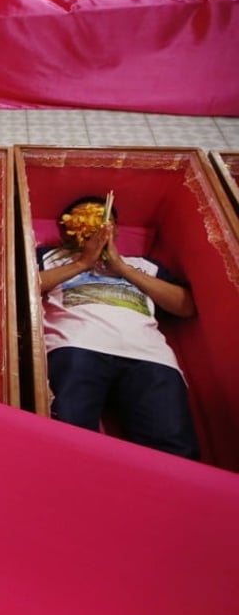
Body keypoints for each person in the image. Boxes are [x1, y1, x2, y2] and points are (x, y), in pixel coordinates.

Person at [38, 196, 199, 459]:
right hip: (75, 346)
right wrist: (81, 264)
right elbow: (19, 287)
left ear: (115, 229)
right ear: (64, 228)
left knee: (175, 452)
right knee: (65, 440)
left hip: (150, 356)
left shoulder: (146, 265)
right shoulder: (50, 256)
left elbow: (186, 306)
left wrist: (122, 267)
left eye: (102, 221)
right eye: (81, 220)